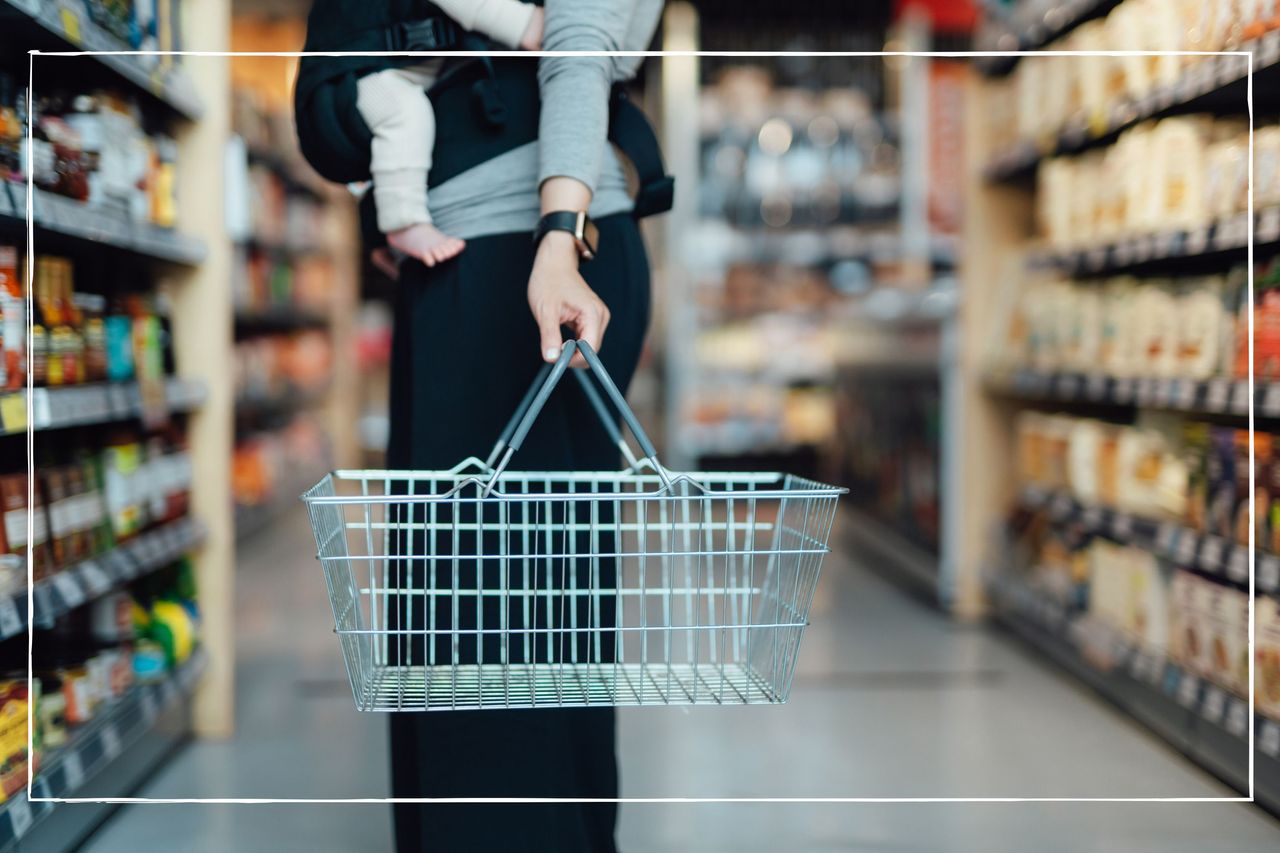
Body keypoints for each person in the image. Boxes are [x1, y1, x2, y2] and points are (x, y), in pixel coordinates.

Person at [372, 1, 666, 851]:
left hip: (533, 261)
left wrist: (558, 235)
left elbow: (578, 49)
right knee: (456, 622)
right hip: (462, 258)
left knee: (502, 624)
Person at [356, 0, 544, 267]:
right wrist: (526, 24)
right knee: (404, 114)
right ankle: (403, 222)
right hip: (369, 75)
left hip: (406, 67)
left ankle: (383, 228)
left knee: (406, 135)